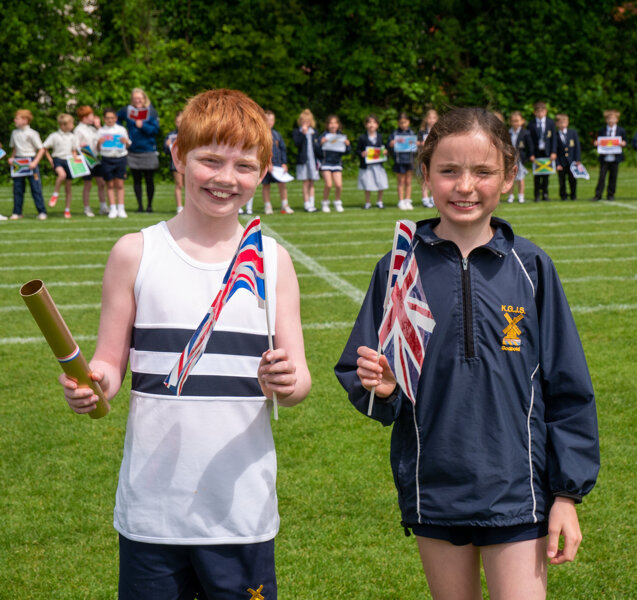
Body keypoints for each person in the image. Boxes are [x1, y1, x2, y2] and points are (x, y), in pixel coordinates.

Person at [335, 107, 599, 600]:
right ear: (425, 173)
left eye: (483, 172)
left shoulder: (532, 267)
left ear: (508, 176)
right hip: (435, 485)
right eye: (449, 171)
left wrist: (566, 494)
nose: (465, 186)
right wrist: (382, 387)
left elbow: (568, 387)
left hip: (518, 489)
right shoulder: (399, 266)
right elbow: (362, 371)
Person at [59, 88, 311, 599]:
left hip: (240, 510)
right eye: (210, 160)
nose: (225, 178)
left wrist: (286, 380)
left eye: (244, 165)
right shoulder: (135, 252)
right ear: (177, 155)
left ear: (262, 172)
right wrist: (95, 385)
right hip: (154, 510)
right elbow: (109, 361)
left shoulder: (273, 261)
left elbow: (300, 379)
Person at [117, 88, 160, 212]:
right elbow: (116, 119)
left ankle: (149, 206)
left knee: (149, 179)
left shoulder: (151, 111)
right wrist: (121, 132)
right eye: (135, 98)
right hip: (133, 150)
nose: (137, 100)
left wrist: (143, 126)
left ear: (144, 98)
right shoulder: (127, 110)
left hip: (148, 150)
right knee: (136, 180)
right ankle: (140, 206)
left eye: (139, 98)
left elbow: (155, 130)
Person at [7, 109, 47, 220]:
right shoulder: (14, 133)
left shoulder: (33, 133)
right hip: (19, 161)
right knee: (18, 188)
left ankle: (42, 211)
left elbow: (41, 149)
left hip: (30, 160)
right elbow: (15, 148)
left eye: (17, 118)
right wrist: (12, 158)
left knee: (35, 188)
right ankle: (17, 212)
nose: (15, 120)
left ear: (25, 120)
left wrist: (35, 162)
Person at [42, 113, 78, 218]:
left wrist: (75, 159)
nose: (72, 125)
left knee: (68, 188)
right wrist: (51, 161)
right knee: (62, 175)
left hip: (69, 161)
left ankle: (67, 210)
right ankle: (55, 194)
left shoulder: (72, 136)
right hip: (58, 159)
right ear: (63, 125)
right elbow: (45, 148)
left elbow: (74, 150)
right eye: (71, 123)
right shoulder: (54, 136)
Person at [97, 108, 130, 219]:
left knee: (120, 184)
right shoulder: (101, 131)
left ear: (115, 118)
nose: (110, 120)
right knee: (109, 184)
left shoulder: (121, 129)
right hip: (107, 159)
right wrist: (99, 142)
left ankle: (121, 208)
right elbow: (97, 149)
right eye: (107, 118)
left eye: (112, 118)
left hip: (120, 158)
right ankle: (113, 208)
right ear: (104, 119)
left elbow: (128, 144)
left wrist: (125, 142)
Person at [259, 110, 293, 215]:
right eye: (267, 119)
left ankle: (285, 205)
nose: (269, 122)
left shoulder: (277, 135)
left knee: (282, 184)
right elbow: (259, 150)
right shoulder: (260, 134)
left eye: (271, 120)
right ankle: (268, 206)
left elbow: (282, 149)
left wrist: (284, 163)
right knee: (266, 185)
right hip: (265, 164)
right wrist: (266, 162)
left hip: (278, 164)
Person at [75, 105, 106, 216]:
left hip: (96, 157)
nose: (93, 117)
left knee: (101, 183)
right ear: (84, 117)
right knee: (88, 184)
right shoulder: (78, 130)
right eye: (91, 115)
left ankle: (103, 206)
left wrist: (98, 126)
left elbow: (103, 137)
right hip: (86, 158)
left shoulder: (93, 128)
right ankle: (87, 208)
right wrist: (80, 146)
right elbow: (75, 145)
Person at [592, 109, 627, 201]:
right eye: (609, 119)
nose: (611, 121)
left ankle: (610, 194)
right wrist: (596, 143)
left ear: (617, 120)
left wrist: (623, 143)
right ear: (606, 120)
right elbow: (599, 141)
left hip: (615, 157)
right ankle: (598, 195)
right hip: (604, 157)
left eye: (613, 119)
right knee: (602, 177)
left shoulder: (621, 130)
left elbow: (625, 141)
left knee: (613, 177)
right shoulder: (602, 130)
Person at [319, 114, 350, 213]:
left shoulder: (341, 136)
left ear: (338, 125)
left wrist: (348, 145)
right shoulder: (323, 136)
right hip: (326, 163)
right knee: (328, 184)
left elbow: (346, 152)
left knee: (339, 185)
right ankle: (325, 203)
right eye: (330, 123)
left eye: (335, 123)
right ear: (327, 125)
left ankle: (337, 202)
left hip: (337, 163)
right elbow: (317, 150)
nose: (333, 125)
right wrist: (321, 143)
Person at [356, 113, 388, 209]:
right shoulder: (362, 137)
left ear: (377, 125)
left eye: (374, 122)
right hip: (367, 166)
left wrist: (385, 151)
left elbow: (383, 148)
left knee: (381, 183)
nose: (371, 125)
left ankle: (379, 201)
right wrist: (362, 153)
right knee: (367, 184)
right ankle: (368, 202)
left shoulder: (380, 137)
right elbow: (357, 150)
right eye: (369, 122)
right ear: (366, 125)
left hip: (378, 165)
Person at [528, 101, 557, 202]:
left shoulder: (550, 123)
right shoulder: (531, 124)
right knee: (537, 175)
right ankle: (537, 195)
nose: (540, 114)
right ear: (534, 113)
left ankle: (545, 194)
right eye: (538, 112)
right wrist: (531, 154)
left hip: (547, 152)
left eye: (542, 111)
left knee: (546, 175)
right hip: (536, 153)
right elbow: (530, 141)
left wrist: (553, 152)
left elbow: (553, 138)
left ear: (546, 111)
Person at [292, 108, 320, 212]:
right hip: (303, 161)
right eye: (303, 121)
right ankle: (306, 204)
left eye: (307, 121)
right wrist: (303, 134)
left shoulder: (314, 132)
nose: (305, 123)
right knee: (306, 183)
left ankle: (312, 204)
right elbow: (297, 143)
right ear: (300, 121)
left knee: (312, 182)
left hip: (313, 161)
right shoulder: (297, 132)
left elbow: (317, 148)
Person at [387, 112, 417, 210]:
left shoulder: (411, 133)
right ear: (398, 123)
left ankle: (408, 201)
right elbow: (389, 147)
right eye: (401, 123)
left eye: (405, 122)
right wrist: (391, 144)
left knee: (408, 181)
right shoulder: (395, 134)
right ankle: (401, 201)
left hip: (410, 160)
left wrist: (415, 144)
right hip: (399, 160)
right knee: (401, 182)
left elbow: (414, 148)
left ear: (408, 122)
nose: (403, 125)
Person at [507, 111, 534, 203]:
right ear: (510, 122)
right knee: (510, 178)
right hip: (510, 159)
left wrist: (530, 155)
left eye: (517, 121)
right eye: (513, 121)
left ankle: (521, 196)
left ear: (522, 121)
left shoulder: (525, 133)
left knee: (520, 178)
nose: (515, 123)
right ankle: (510, 196)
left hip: (520, 159)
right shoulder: (508, 132)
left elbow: (530, 146)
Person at [554, 113, 582, 201]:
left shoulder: (573, 133)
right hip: (561, 162)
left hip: (572, 161)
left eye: (564, 122)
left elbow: (577, 147)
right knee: (562, 180)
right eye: (560, 123)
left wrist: (577, 159)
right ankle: (563, 195)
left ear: (567, 123)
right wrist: (557, 163)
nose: (562, 125)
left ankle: (573, 195)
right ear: (557, 124)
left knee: (572, 179)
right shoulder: (555, 134)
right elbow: (555, 150)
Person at [163, 110, 184, 214]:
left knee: (191, 186)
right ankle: (179, 207)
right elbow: (166, 151)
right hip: (176, 163)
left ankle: (192, 207)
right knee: (179, 184)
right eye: (177, 121)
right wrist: (167, 146)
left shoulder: (193, 134)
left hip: (190, 163)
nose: (179, 124)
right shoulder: (171, 135)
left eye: (182, 121)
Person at [417, 109, 439, 208]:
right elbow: (417, 143)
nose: (431, 120)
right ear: (426, 119)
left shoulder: (439, 131)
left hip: (436, 158)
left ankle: (433, 197)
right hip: (424, 157)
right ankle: (425, 198)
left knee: (434, 178)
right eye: (429, 118)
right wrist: (422, 143)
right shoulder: (422, 132)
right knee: (424, 178)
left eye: (434, 118)